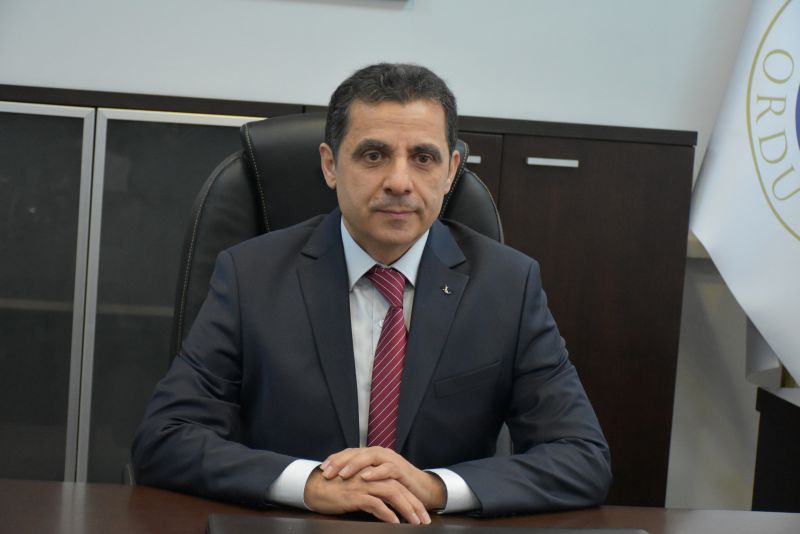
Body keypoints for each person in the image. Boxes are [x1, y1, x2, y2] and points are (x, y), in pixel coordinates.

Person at [132, 63, 611, 524]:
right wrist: (310, 485)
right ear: (330, 165)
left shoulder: (508, 285)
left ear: (450, 171)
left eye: (423, 158)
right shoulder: (250, 275)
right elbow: (164, 438)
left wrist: (434, 487)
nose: (399, 182)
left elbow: (582, 457)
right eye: (373, 155)